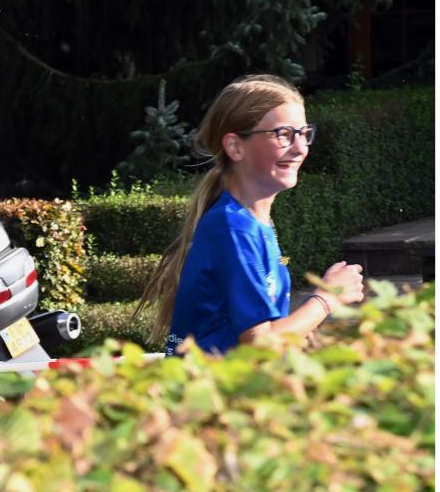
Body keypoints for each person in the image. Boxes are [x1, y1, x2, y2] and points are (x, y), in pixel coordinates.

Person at [135, 74, 364, 356]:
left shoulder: (254, 223)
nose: (300, 148)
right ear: (235, 147)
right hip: (210, 385)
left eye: (304, 134)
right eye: (283, 134)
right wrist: (327, 298)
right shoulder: (234, 228)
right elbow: (260, 343)